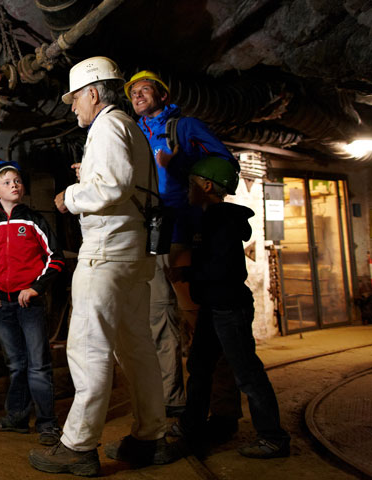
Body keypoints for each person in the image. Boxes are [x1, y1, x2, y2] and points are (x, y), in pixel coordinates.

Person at [28, 56, 178, 477]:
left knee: (89, 348)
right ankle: (151, 436)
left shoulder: (108, 125)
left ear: (93, 93)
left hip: (106, 252)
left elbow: (111, 186)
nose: (73, 107)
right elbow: (129, 183)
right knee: (136, 349)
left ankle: (77, 445)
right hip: (132, 255)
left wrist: (70, 196)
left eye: (75, 98)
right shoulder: (131, 129)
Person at [125, 70, 242, 434]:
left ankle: (223, 412)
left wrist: (175, 164)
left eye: (145, 89)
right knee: (159, 324)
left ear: (162, 95)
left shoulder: (186, 127)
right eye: (133, 92)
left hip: (184, 235)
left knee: (202, 325)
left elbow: (225, 165)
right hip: (151, 238)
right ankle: (174, 402)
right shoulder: (133, 133)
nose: (138, 95)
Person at [178, 156, 291, 459]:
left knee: (247, 374)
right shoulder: (208, 220)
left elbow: (224, 270)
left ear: (207, 185)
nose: (188, 188)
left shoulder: (221, 223)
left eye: (192, 183)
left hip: (228, 308)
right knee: (200, 368)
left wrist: (187, 274)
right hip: (213, 307)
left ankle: (273, 437)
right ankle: (192, 425)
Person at [0, 160, 65, 446]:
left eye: (17, 181)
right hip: (4, 306)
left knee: (38, 365)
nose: (13, 185)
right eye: (6, 182)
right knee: (16, 364)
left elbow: (56, 259)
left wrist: (36, 287)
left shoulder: (35, 221)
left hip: (30, 306)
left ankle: (47, 423)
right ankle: (16, 418)